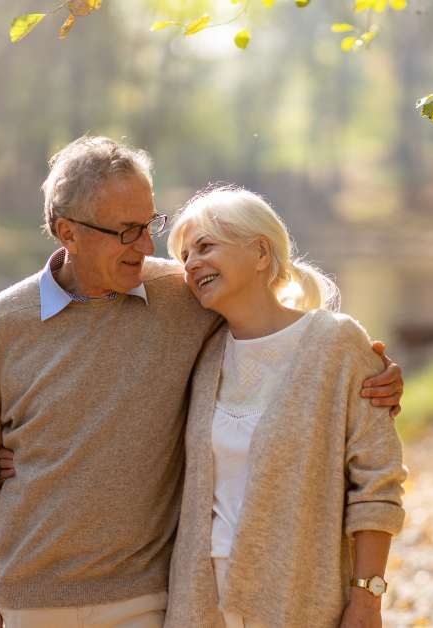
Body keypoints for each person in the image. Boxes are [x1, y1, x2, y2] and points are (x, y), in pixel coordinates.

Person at [0, 136, 403, 628]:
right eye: (127, 231)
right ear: (66, 232)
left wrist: (374, 377)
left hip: (145, 597)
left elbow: (282, 335)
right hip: (28, 599)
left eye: (150, 225)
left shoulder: (181, 297)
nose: (147, 248)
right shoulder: (1, 324)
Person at [162, 186, 407, 628]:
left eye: (205, 246)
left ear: (260, 252)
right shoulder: (201, 354)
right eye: (183, 257)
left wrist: (367, 598)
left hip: (298, 602)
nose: (191, 264)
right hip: (199, 605)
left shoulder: (337, 343)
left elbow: (377, 482)